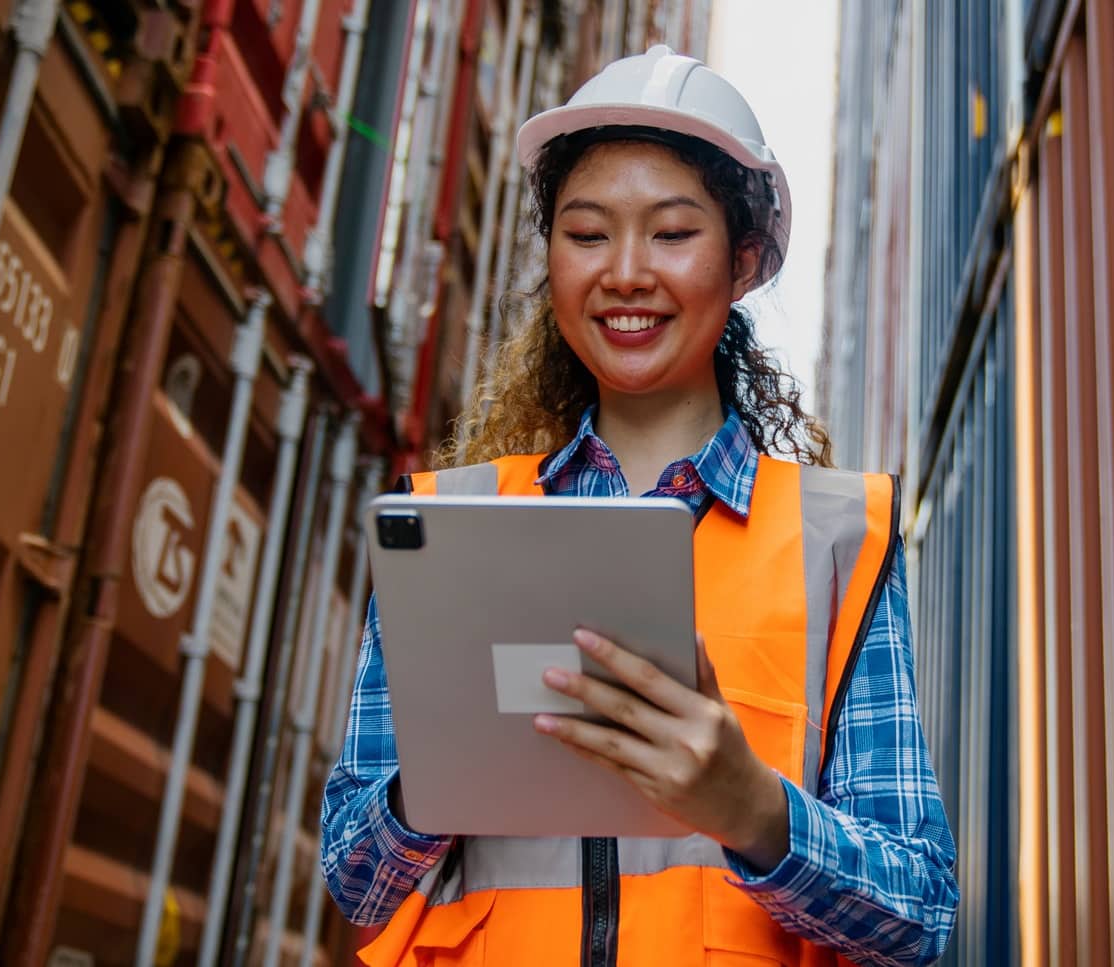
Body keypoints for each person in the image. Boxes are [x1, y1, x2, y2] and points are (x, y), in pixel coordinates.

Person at [320, 45, 958, 967]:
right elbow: (352, 875)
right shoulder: (449, 524)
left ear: (743, 263)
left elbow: (922, 915)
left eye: (670, 233)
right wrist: (443, 778)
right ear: (551, 257)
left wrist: (753, 808)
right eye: (586, 234)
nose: (625, 273)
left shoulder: (837, 541)